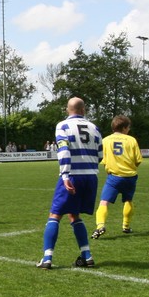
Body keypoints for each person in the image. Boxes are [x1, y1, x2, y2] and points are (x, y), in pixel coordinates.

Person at [38, 97, 103, 270]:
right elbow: (100, 155)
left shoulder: (63, 126)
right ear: (84, 110)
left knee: (55, 215)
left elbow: (63, 150)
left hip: (73, 175)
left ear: (68, 110)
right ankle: (87, 256)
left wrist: (65, 175)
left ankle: (47, 258)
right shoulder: (95, 128)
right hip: (91, 177)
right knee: (74, 215)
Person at [91, 115, 142, 239]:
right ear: (124, 128)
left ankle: (100, 226)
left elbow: (102, 159)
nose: (129, 129)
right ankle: (126, 226)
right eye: (128, 127)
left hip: (114, 177)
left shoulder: (106, 140)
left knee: (104, 202)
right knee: (128, 200)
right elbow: (137, 160)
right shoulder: (131, 140)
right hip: (130, 177)